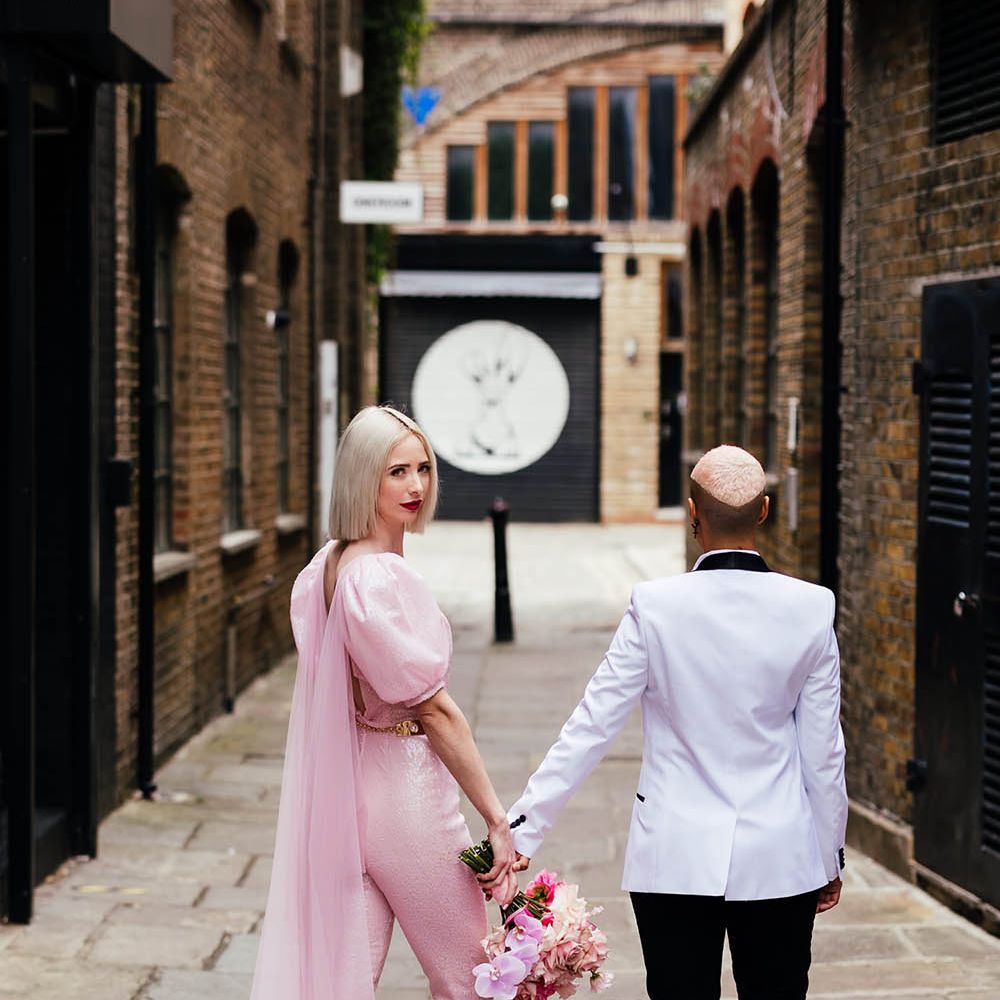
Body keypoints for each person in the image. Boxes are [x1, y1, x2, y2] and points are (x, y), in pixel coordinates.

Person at [503, 445, 848, 1000]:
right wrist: (829, 853)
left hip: (675, 856)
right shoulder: (811, 608)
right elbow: (824, 751)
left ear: (692, 512)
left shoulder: (655, 606)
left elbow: (592, 724)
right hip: (780, 855)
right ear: (763, 512)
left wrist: (524, 826)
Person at [251, 405, 515, 1000]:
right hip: (407, 798)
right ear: (361, 476)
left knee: (341, 979)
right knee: (471, 977)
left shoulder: (326, 565)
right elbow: (435, 710)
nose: (416, 486)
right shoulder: (381, 579)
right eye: (396, 471)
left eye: (423, 469)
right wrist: (497, 818)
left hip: (349, 793)